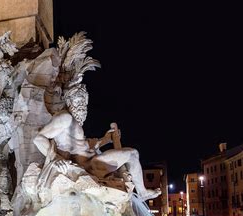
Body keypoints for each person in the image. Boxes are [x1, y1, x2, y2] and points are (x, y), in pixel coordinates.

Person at [33, 84, 161, 201]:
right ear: (69, 101)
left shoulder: (74, 123)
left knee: (133, 154)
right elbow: (39, 138)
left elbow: (84, 145)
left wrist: (106, 139)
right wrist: (56, 159)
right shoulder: (64, 118)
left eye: (84, 102)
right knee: (132, 154)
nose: (82, 106)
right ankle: (143, 192)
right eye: (79, 101)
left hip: (93, 160)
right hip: (89, 166)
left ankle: (142, 192)